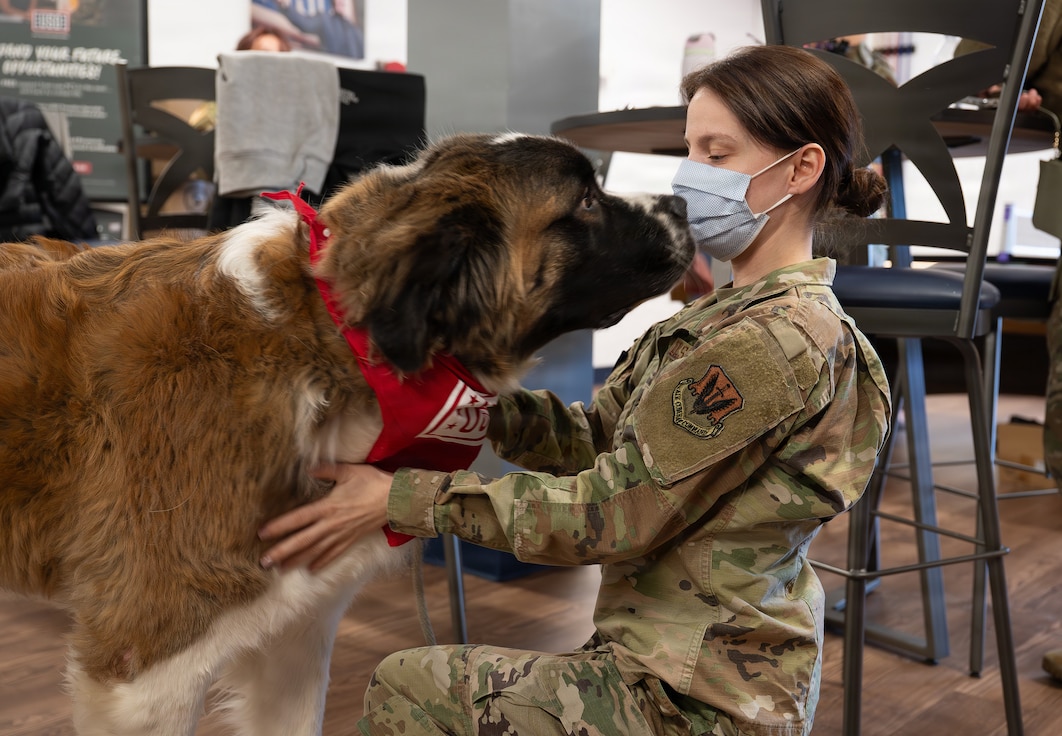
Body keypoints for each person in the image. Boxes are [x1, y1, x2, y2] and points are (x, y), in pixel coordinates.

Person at [259, 44, 892, 735]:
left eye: (718, 155)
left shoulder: (772, 342)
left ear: (800, 169)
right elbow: (598, 442)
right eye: (689, 150)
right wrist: (468, 400)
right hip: (658, 664)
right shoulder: (726, 319)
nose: (690, 179)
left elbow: (612, 513)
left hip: (698, 706)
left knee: (409, 686)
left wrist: (400, 498)